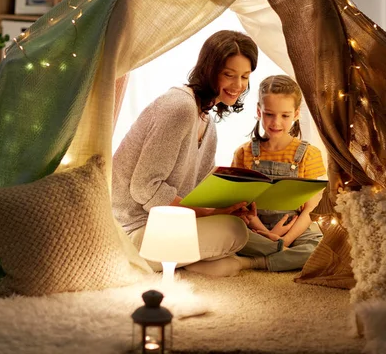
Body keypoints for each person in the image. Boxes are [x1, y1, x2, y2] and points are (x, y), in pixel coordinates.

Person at [112, 30, 260, 277]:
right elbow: (145, 188)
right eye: (229, 75)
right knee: (234, 232)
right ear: (209, 70)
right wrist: (210, 214)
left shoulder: (208, 122)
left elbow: (196, 193)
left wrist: (229, 205)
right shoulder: (179, 107)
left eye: (245, 77)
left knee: (235, 228)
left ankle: (186, 263)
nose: (238, 86)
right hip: (133, 230)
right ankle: (230, 262)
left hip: (164, 224)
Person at [231, 75, 326, 272]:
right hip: (254, 227)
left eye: (285, 115)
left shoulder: (309, 154)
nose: (276, 122)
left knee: (320, 248)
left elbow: (310, 209)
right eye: (269, 114)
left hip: (294, 228)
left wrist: (284, 239)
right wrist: (267, 233)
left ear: (296, 114)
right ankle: (279, 254)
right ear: (259, 111)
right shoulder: (244, 153)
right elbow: (240, 203)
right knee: (227, 234)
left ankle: (256, 262)